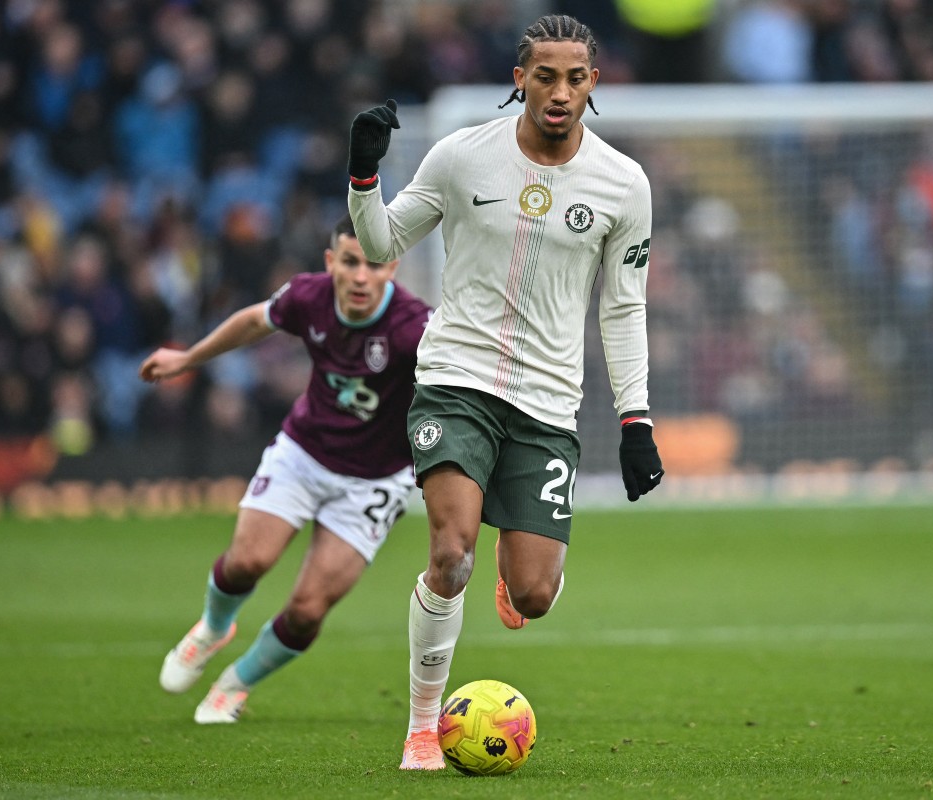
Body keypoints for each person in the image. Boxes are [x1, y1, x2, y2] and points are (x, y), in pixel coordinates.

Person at [346, 13, 665, 770]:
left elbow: (623, 307)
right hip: (456, 380)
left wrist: (636, 420)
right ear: (518, 78)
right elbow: (383, 243)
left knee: (535, 596)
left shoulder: (624, 185)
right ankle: (423, 727)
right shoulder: (462, 156)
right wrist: (363, 176)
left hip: (547, 404)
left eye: (575, 77)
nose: (560, 92)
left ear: (595, 83)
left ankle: (512, 557)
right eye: (544, 75)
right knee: (449, 551)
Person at [139, 214, 432, 724]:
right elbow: (254, 321)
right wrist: (188, 359)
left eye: (376, 264)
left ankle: (234, 685)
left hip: (375, 479)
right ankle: (212, 628)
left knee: (306, 611)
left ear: (395, 266)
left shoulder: (415, 330)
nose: (361, 277)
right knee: (246, 563)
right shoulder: (307, 297)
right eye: (349, 262)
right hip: (304, 451)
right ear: (330, 262)